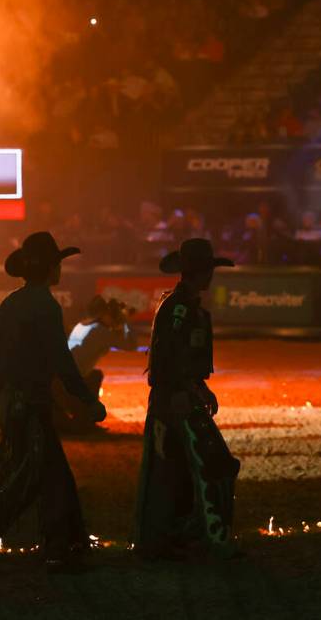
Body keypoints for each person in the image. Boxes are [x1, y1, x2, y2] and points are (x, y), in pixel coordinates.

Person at [0, 232, 107, 572]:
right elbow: (61, 362)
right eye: (57, 263)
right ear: (50, 268)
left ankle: (62, 546)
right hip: (30, 405)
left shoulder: (10, 304)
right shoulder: (45, 306)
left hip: (13, 402)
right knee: (26, 482)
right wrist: (86, 401)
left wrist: (1, 404)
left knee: (50, 477)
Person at [134, 238, 240, 560]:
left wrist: (197, 388)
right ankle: (211, 537)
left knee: (174, 469)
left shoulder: (181, 305)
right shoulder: (180, 308)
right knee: (213, 464)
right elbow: (168, 358)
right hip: (176, 400)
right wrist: (190, 389)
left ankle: (171, 536)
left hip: (176, 397)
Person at [54, 296, 139, 431]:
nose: (114, 318)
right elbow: (131, 345)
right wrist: (126, 321)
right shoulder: (101, 332)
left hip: (57, 382)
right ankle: (85, 420)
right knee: (95, 376)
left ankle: (78, 416)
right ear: (104, 314)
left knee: (93, 374)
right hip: (66, 388)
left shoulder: (83, 324)